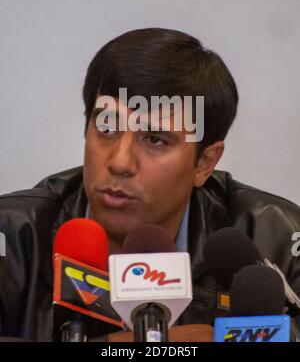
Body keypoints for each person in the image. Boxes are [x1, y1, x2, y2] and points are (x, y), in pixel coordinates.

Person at [0, 28, 300, 342]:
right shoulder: (13, 237)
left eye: (155, 139)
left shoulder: (276, 238)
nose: (120, 162)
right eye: (107, 127)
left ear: (204, 163)